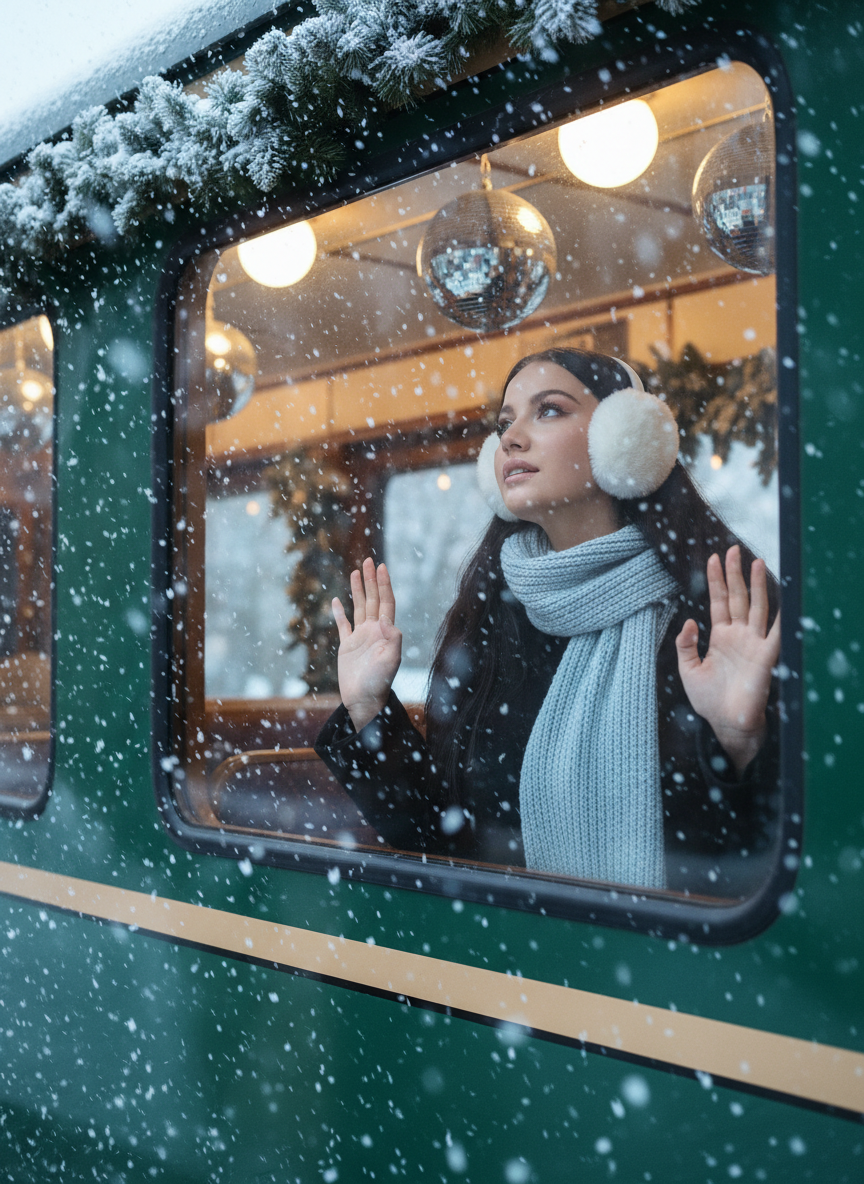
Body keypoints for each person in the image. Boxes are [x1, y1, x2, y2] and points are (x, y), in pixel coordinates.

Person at [315, 349, 780, 895]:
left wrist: (741, 744)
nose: (511, 438)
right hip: (511, 946)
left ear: (624, 436)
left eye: (550, 410)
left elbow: (765, 865)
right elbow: (442, 847)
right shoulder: (490, 623)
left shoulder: (721, 615)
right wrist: (368, 709)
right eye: (504, 423)